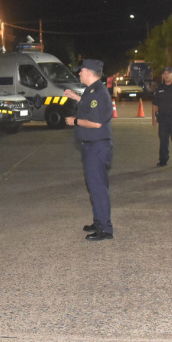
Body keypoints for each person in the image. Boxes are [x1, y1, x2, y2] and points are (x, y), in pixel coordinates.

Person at [65, 59, 113, 241]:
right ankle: (99, 221)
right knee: (95, 187)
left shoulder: (98, 92)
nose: (79, 73)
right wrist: (76, 97)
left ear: (89, 72)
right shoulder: (92, 90)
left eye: (81, 71)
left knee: (98, 188)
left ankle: (105, 229)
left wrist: (75, 121)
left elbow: (96, 122)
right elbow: (90, 105)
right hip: (93, 145)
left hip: (96, 146)